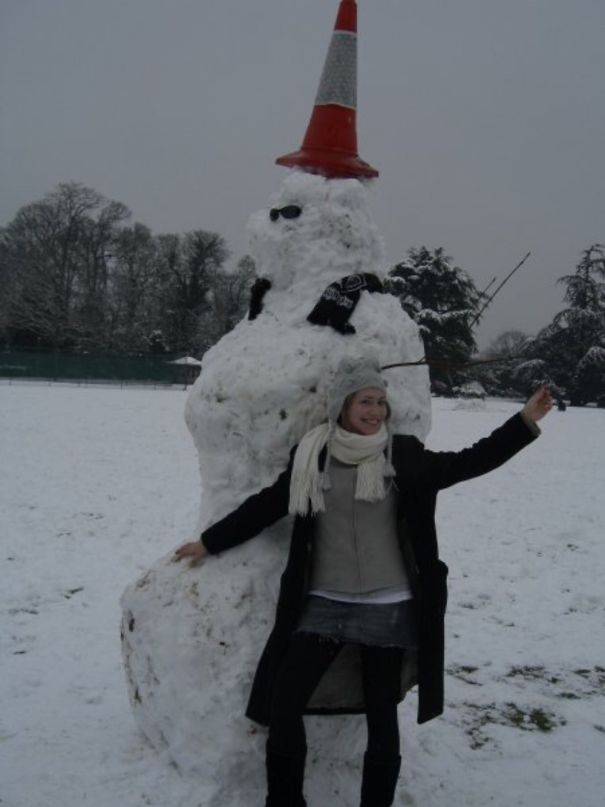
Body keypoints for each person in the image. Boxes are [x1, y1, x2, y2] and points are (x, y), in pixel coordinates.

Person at [175, 356, 553, 807]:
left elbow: (468, 462)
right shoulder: (312, 456)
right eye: (364, 402)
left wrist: (524, 422)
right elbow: (267, 505)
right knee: (283, 699)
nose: (375, 411)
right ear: (342, 406)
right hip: (324, 604)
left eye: (379, 402)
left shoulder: (404, 456)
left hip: (387, 606)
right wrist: (210, 541)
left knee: (381, 714)